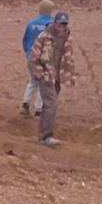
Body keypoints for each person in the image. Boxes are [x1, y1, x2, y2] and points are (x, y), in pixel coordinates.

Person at [29, 12, 75, 147]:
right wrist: (39, 73)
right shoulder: (44, 37)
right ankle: (47, 136)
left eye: (64, 23)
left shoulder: (68, 38)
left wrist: (69, 76)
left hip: (58, 77)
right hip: (45, 76)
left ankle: (43, 135)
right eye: (60, 23)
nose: (62, 26)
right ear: (55, 22)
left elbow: (69, 59)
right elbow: (34, 57)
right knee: (52, 104)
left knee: (48, 105)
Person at [20, 0, 55, 118]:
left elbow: (25, 40)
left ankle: (25, 104)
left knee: (32, 81)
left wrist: (27, 52)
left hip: (32, 56)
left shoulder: (31, 23)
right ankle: (39, 109)